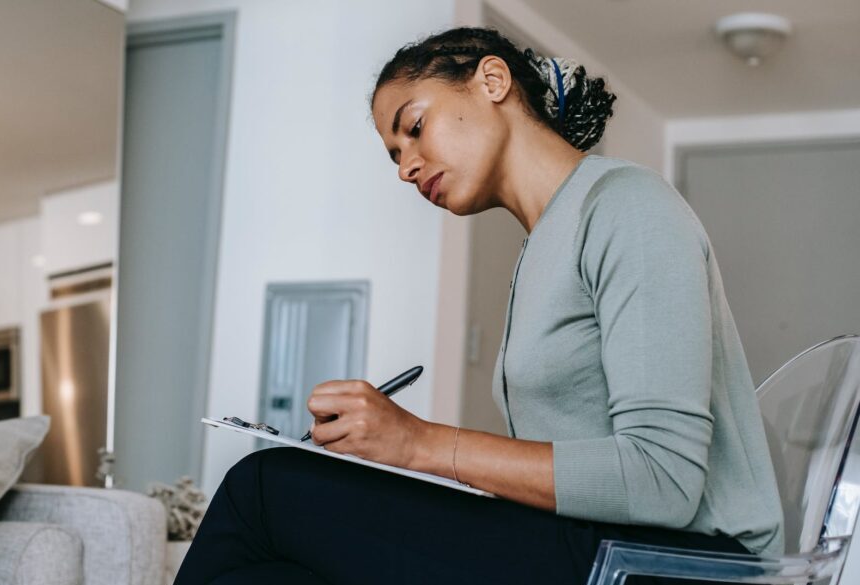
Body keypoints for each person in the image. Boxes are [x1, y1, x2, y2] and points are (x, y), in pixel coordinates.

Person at [175, 27, 784, 584]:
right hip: (598, 545)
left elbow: (664, 481)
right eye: (393, 156)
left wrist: (416, 443)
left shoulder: (628, 207)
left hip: (680, 565)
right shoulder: (543, 245)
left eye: (414, 128)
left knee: (263, 489)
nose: (407, 167)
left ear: (493, 81)